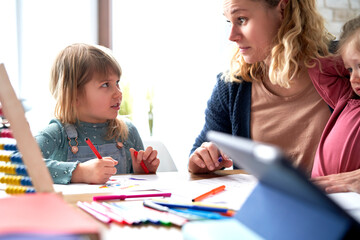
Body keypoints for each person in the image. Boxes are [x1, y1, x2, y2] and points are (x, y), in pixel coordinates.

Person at [188, 0, 335, 175]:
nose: (231, 36)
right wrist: (202, 159)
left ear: (282, 9)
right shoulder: (232, 85)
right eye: (229, 22)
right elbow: (199, 153)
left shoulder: (348, 68)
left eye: (241, 19)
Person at [35, 43, 159, 184]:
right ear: (74, 95)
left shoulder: (127, 132)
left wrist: (142, 172)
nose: (118, 92)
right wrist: (79, 172)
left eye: (117, 82)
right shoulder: (57, 133)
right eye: (105, 84)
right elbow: (19, 163)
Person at [310, 15, 360, 193]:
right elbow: (316, 66)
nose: (353, 78)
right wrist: (350, 53)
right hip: (323, 200)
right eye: (349, 69)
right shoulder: (347, 97)